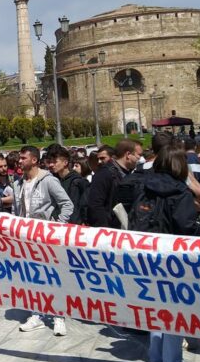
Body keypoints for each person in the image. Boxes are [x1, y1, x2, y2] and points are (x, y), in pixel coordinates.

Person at [137, 145, 200, 362]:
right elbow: (185, 226)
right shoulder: (181, 193)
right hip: (175, 258)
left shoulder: (144, 186)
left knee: (156, 308)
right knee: (176, 311)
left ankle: (156, 357)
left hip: (149, 254)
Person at [13, 146, 74, 335]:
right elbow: (19, 211)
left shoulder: (49, 181)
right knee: (33, 277)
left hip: (47, 237)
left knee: (53, 277)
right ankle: (37, 314)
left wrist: (56, 226)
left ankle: (58, 316)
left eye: (23, 158)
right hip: (26, 238)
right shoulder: (18, 184)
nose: (19, 161)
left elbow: (67, 204)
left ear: (33, 160)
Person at [85, 139, 138, 226]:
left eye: (102, 158)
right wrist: (106, 230)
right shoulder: (104, 174)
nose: (99, 162)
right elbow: (95, 205)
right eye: (137, 155)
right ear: (128, 155)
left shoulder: (127, 173)